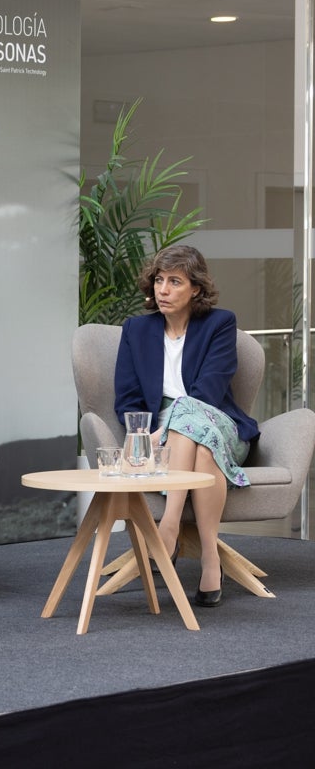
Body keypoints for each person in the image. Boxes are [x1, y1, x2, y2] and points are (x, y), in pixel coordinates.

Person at [114, 244, 259, 607]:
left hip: (216, 420)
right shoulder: (136, 329)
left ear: (195, 288)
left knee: (190, 425)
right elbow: (128, 396)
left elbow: (208, 390)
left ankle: (169, 528)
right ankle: (211, 558)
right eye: (159, 280)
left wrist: (167, 430)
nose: (162, 290)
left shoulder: (219, 323)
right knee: (199, 448)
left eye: (175, 282)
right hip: (164, 430)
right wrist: (141, 437)